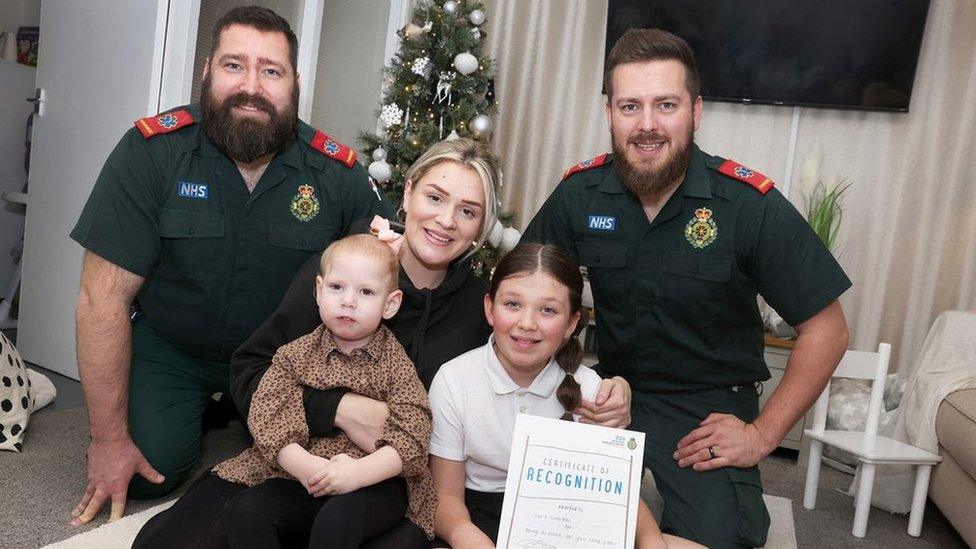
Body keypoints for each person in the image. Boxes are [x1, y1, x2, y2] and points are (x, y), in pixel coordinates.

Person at [521, 28, 851, 548]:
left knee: (725, 539)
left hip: (707, 409)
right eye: (630, 106)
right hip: (611, 392)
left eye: (665, 105)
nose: (647, 125)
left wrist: (760, 436)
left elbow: (826, 329)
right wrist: (569, 383)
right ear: (609, 114)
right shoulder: (580, 193)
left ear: (695, 113)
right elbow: (523, 289)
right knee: (547, 523)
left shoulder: (747, 205)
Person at [68, 6, 391, 525]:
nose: (251, 87)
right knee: (151, 471)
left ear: (295, 84)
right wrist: (107, 440)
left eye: (271, 70)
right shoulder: (150, 153)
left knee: (323, 473)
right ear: (206, 73)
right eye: (234, 65)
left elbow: (393, 276)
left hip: (283, 360)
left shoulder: (337, 173)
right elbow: (100, 300)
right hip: (173, 346)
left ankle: (234, 405)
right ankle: (208, 407)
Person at [231, 138, 634, 546]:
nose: (446, 220)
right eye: (435, 197)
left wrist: (611, 387)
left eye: (467, 211)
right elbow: (255, 370)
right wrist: (335, 409)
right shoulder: (349, 275)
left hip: (395, 486)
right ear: (407, 192)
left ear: (481, 227)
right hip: (294, 461)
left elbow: (534, 362)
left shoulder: (483, 307)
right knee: (202, 530)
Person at [134, 234, 433, 548]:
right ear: (318, 291)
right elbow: (270, 420)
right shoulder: (293, 356)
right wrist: (307, 468)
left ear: (390, 304)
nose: (348, 301)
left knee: (337, 522)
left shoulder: (396, 363)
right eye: (337, 287)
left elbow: (412, 435)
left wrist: (357, 474)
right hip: (303, 471)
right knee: (245, 511)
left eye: (366, 292)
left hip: (375, 480)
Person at [429, 243, 702, 549]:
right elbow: (445, 498)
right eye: (513, 304)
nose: (527, 323)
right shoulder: (455, 380)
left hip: (570, 522)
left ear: (571, 323)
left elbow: (617, 494)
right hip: (479, 523)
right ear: (490, 308)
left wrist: (652, 542)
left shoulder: (589, 389)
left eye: (548, 310)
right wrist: (470, 540)